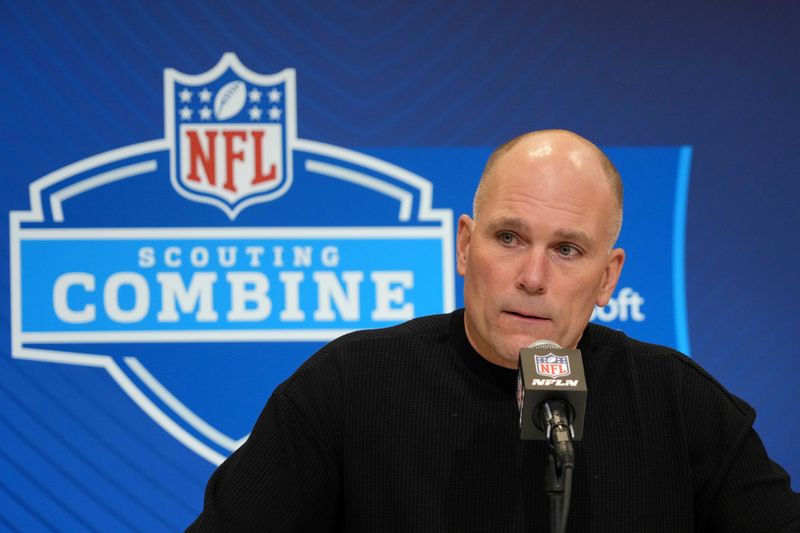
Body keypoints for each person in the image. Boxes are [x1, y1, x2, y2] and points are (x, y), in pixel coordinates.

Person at [188, 130, 800, 532]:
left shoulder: (679, 404)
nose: (532, 277)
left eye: (567, 249)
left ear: (609, 277)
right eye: (508, 238)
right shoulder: (347, 388)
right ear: (464, 245)